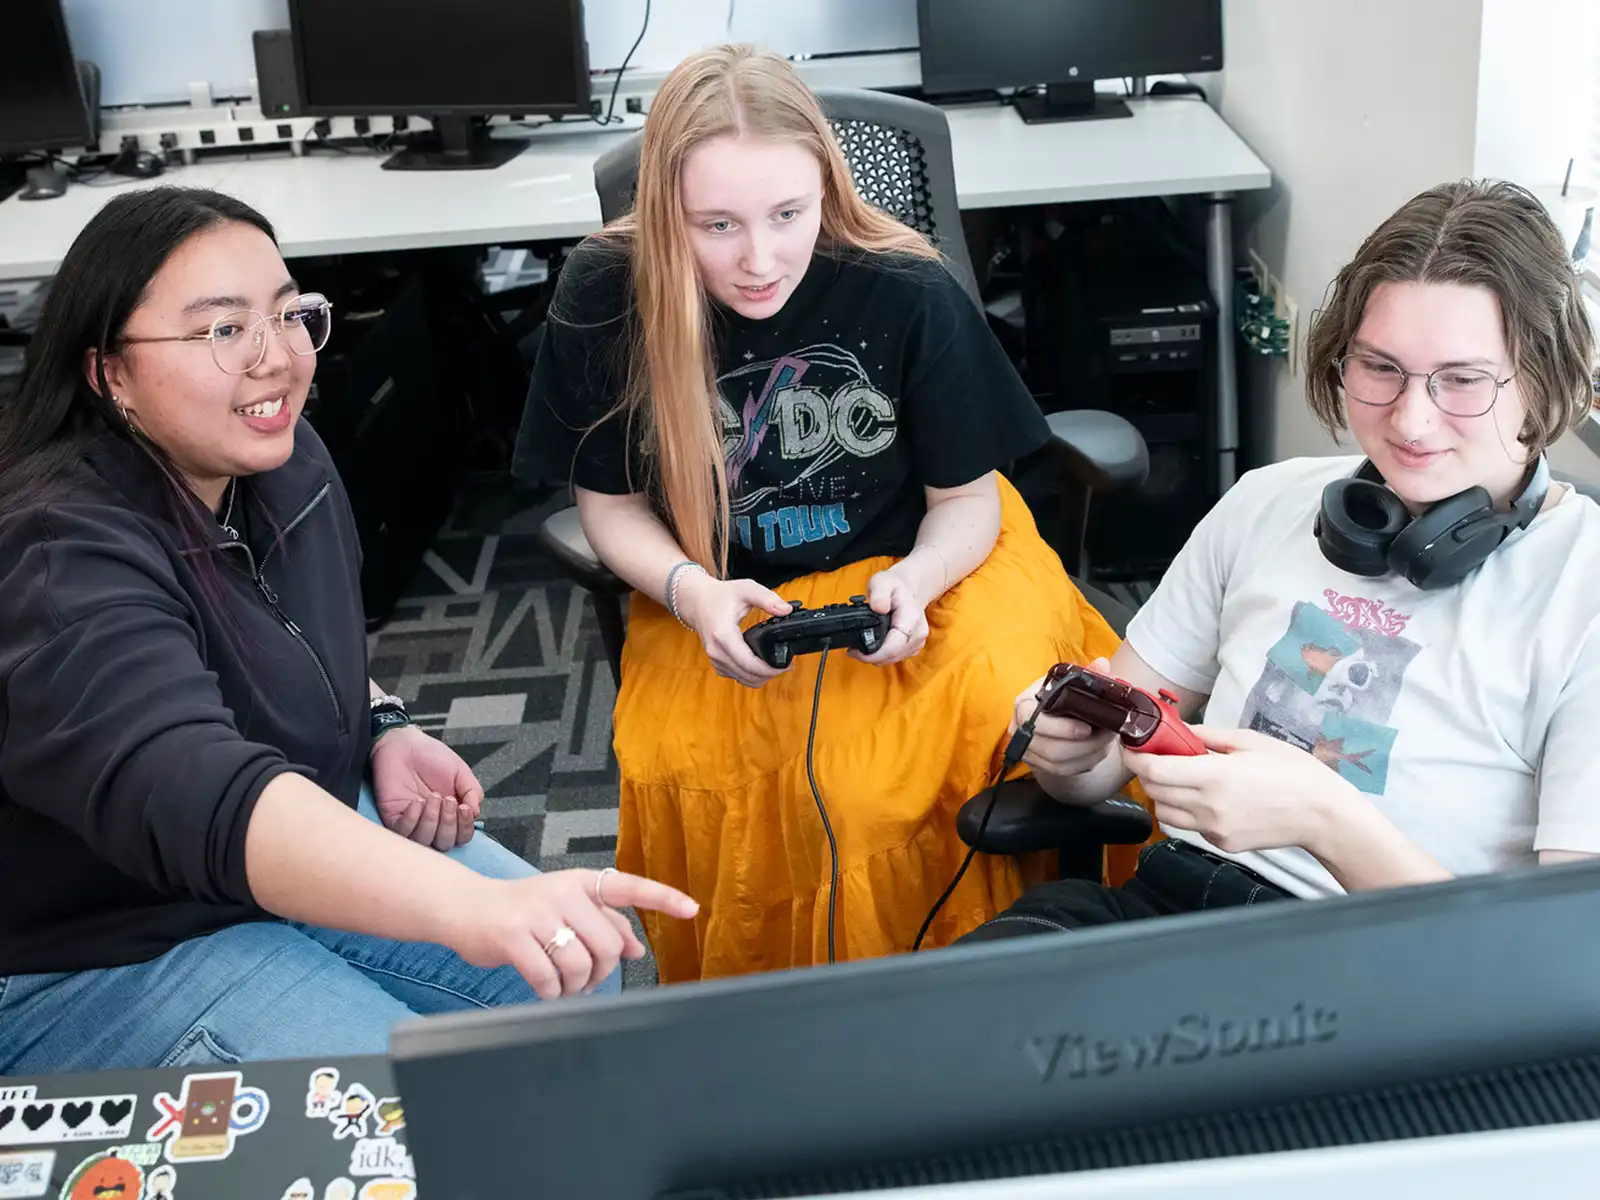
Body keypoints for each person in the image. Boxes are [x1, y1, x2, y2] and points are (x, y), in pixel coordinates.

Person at [0, 187, 697, 1075]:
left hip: (283, 821)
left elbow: (272, 630)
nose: (277, 359)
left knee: (568, 973)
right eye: (222, 329)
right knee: (405, 1106)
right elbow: (188, 784)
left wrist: (379, 724)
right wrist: (466, 908)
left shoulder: (279, 460)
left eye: (289, 314)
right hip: (115, 939)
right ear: (109, 375)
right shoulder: (59, 557)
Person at [524, 44, 1118, 982]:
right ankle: (781, 1023)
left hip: (930, 564)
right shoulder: (608, 294)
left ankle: (988, 988)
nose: (759, 261)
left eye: (788, 215)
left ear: (826, 189)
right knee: (699, 771)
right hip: (719, 588)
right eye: (716, 225)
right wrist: (688, 591)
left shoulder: (905, 285)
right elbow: (608, 501)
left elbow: (967, 503)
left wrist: (917, 582)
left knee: (942, 760)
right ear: (665, 212)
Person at [962, 178, 1600, 942]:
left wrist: (1324, 820)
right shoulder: (1266, 502)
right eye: (1380, 368)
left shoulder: (1582, 590)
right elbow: (1100, 773)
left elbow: (1565, 953)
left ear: (1543, 379)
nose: (1411, 418)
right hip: (1170, 911)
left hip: (1403, 964)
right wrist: (1069, 754)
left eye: (1462, 380)